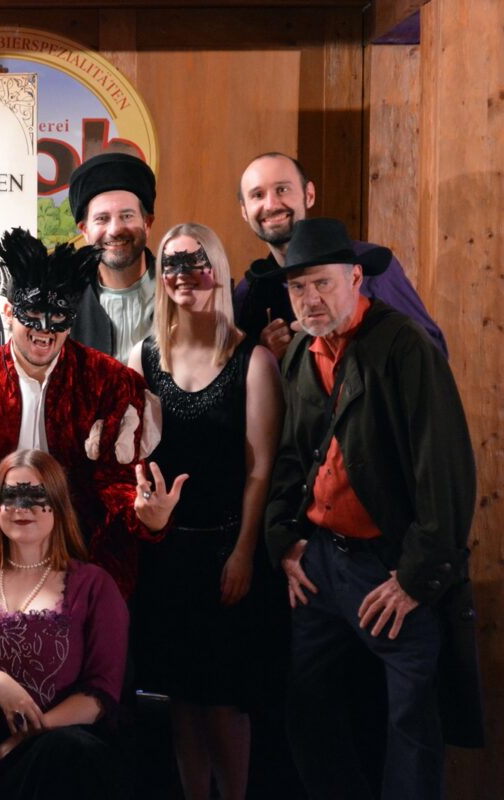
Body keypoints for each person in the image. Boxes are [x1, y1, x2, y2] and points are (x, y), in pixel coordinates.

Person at [263, 218, 482, 800]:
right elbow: (290, 457)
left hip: (389, 567)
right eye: (298, 287)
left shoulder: (404, 347)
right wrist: (284, 541)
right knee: (307, 711)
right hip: (319, 564)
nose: (310, 298)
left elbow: (445, 470)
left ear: (356, 278)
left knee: (412, 724)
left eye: (323, 283)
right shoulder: (299, 354)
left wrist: (414, 578)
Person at [0, 227, 176, 599]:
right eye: (33, 314)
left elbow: (116, 482)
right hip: (1, 556)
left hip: (87, 557)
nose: (44, 329)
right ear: (10, 312)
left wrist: (147, 518)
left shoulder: (110, 383)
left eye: (58, 317)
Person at [126, 223, 282, 800]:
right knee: (180, 700)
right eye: (170, 264)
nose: (182, 276)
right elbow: (132, 457)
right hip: (164, 554)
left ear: (217, 269)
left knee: (224, 702)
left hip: (226, 550)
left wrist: (244, 552)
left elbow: (261, 469)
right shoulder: (144, 357)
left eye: (195, 263)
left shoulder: (253, 360)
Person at [0, 449, 130, 798]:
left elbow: (102, 693)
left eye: (37, 496)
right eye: (11, 496)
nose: (22, 507)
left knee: (65, 750)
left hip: (65, 744)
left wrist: (27, 738)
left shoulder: (95, 585)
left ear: (59, 505)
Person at [233, 152, 446, 359]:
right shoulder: (248, 293)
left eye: (282, 189)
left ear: (309, 195)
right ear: (244, 211)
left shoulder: (370, 269)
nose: (271, 205)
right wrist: (262, 355)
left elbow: (432, 352)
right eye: (257, 195)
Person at [66, 150, 158, 359]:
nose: (115, 230)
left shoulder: (180, 293)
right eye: (102, 219)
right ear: (84, 230)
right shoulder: (65, 302)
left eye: (127, 216)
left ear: (147, 223)